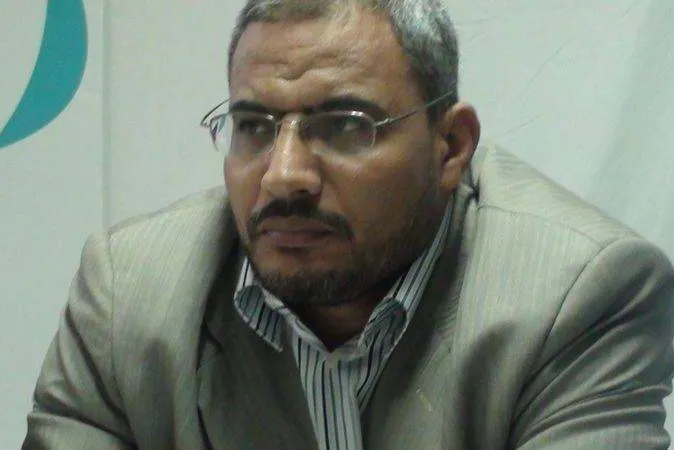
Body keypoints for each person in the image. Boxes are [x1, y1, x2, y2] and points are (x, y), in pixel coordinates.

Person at [23, 0, 674, 449]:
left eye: (344, 126)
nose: (283, 176)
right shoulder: (129, 296)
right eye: (253, 127)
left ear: (450, 147)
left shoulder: (579, 295)